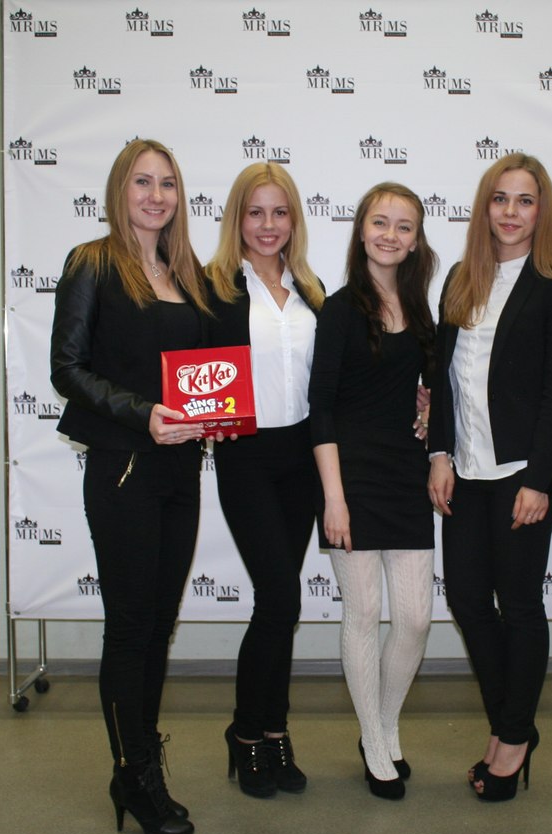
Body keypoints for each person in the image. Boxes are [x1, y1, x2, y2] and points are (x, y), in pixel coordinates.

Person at [50, 138, 213, 834]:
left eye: (167, 183)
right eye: (143, 182)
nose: (156, 195)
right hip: (124, 466)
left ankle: (140, 764)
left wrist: (216, 413)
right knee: (130, 626)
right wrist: (141, 412)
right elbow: (66, 367)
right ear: (120, 190)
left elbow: (203, 373)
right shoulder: (91, 263)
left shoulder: (187, 272)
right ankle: (135, 771)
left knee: (159, 626)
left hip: (181, 471)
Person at [427, 154, 552, 802]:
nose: (511, 212)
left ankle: (511, 741)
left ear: (541, 210)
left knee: (518, 606)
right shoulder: (462, 278)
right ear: (485, 206)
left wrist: (541, 479)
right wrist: (439, 453)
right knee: (468, 602)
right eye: (500, 199)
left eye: (525, 200)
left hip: (523, 474)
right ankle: (513, 724)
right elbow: (441, 378)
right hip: (465, 472)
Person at [308, 183, 437, 800]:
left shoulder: (422, 311)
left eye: (403, 226)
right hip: (350, 479)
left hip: (406, 477)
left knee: (414, 619)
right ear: (361, 231)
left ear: (415, 241)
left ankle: (384, 725)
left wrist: (428, 409)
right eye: (380, 222)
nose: (390, 234)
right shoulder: (339, 310)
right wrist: (333, 498)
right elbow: (321, 407)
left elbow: (431, 388)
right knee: (361, 615)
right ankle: (376, 742)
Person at [204, 162, 324, 799]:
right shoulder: (212, 289)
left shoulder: (313, 290)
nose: (268, 225)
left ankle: (274, 732)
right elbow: (191, 373)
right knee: (279, 598)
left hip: (302, 459)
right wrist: (203, 418)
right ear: (237, 218)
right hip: (246, 457)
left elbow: (332, 379)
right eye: (255, 213)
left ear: (294, 220)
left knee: (282, 604)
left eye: (280, 212)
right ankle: (249, 733)